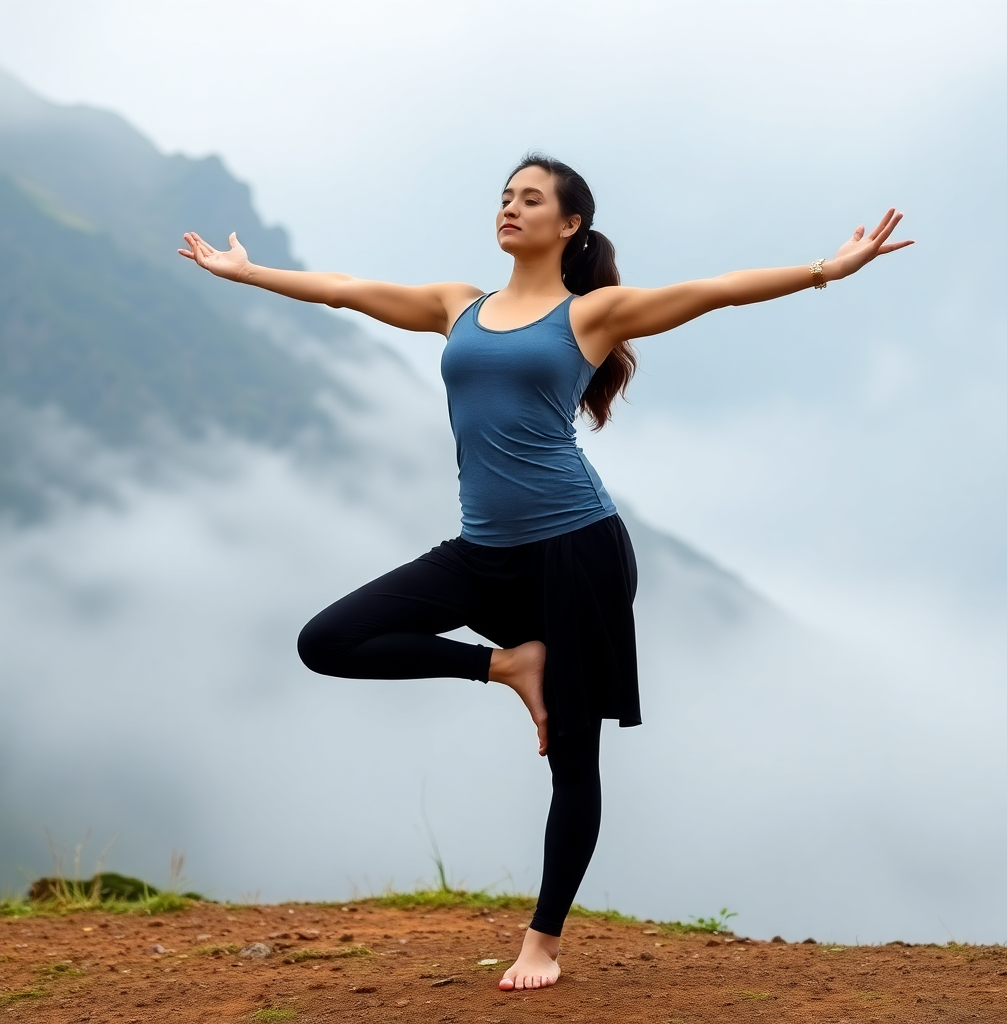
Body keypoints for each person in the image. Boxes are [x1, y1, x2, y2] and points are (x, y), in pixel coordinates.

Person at [179, 154, 912, 990]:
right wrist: (246, 275)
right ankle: (507, 664)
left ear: (569, 225)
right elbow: (346, 287)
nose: (511, 208)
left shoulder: (590, 315)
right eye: (504, 196)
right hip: (481, 552)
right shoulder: (459, 306)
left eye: (531, 199)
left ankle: (544, 941)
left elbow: (718, 290)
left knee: (573, 755)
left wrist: (827, 269)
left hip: (578, 553)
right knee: (329, 640)